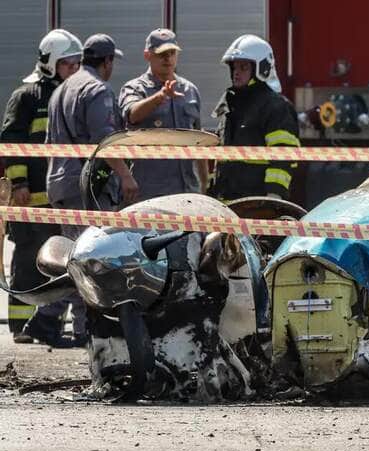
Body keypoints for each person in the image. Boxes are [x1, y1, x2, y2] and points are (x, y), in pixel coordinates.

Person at [45, 33, 139, 340]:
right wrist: (125, 175)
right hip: (85, 189)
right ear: (107, 61)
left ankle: (46, 319)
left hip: (60, 184)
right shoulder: (96, 90)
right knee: (91, 260)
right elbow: (104, 140)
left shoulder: (62, 89)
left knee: (71, 258)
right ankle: (85, 328)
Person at [0, 29, 83, 347]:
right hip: (29, 199)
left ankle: (47, 323)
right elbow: (11, 142)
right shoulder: (27, 96)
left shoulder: (70, 95)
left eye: (75, 63)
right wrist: (19, 182)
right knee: (26, 261)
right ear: (50, 63)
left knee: (57, 262)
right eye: (67, 63)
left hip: (58, 201)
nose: (72, 69)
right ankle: (21, 324)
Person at [118, 28, 208, 200]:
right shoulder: (135, 88)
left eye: (172, 53)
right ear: (147, 55)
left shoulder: (190, 90)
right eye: (161, 54)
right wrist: (160, 97)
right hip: (150, 193)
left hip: (187, 190)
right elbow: (131, 115)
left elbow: (199, 140)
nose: (168, 58)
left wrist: (203, 184)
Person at [211, 34, 300, 202]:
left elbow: (284, 155)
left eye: (243, 67)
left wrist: (274, 195)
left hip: (258, 202)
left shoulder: (275, 107)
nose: (236, 73)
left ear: (262, 69)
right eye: (234, 68)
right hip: (227, 202)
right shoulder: (231, 104)